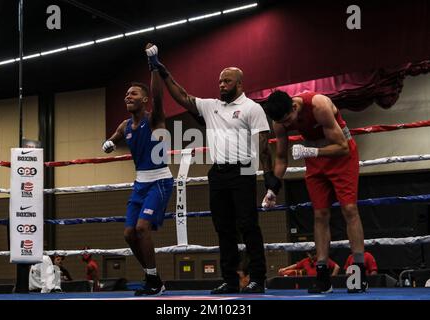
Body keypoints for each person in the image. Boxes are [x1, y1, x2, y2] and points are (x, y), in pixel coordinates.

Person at [145, 43, 275, 294]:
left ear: (239, 84)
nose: (221, 85)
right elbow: (182, 96)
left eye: (227, 81)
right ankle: (230, 279)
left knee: (248, 225)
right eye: (220, 81)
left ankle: (258, 278)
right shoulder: (211, 106)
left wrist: (269, 177)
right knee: (223, 227)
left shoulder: (252, 108)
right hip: (217, 172)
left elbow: (264, 146)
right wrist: (162, 70)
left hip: (244, 169)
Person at [262, 90, 366, 294]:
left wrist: (311, 151)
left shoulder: (318, 105)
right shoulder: (280, 122)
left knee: (349, 209)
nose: (287, 125)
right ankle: (322, 277)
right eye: (282, 122)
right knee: (320, 214)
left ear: (294, 106)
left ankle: (359, 273)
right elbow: (282, 159)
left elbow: (343, 147)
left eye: (288, 119)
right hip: (316, 163)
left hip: (342, 158)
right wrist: (272, 189)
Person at [102, 50, 174, 296]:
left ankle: (153, 281)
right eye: (126, 94)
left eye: (133, 93)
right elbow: (117, 135)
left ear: (144, 100)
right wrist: (110, 142)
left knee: (142, 228)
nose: (127, 96)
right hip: (140, 183)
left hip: (160, 181)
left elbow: (157, 95)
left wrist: (153, 66)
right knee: (128, 234)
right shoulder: (125, 125)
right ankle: (153, 278)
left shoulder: (154, 119)